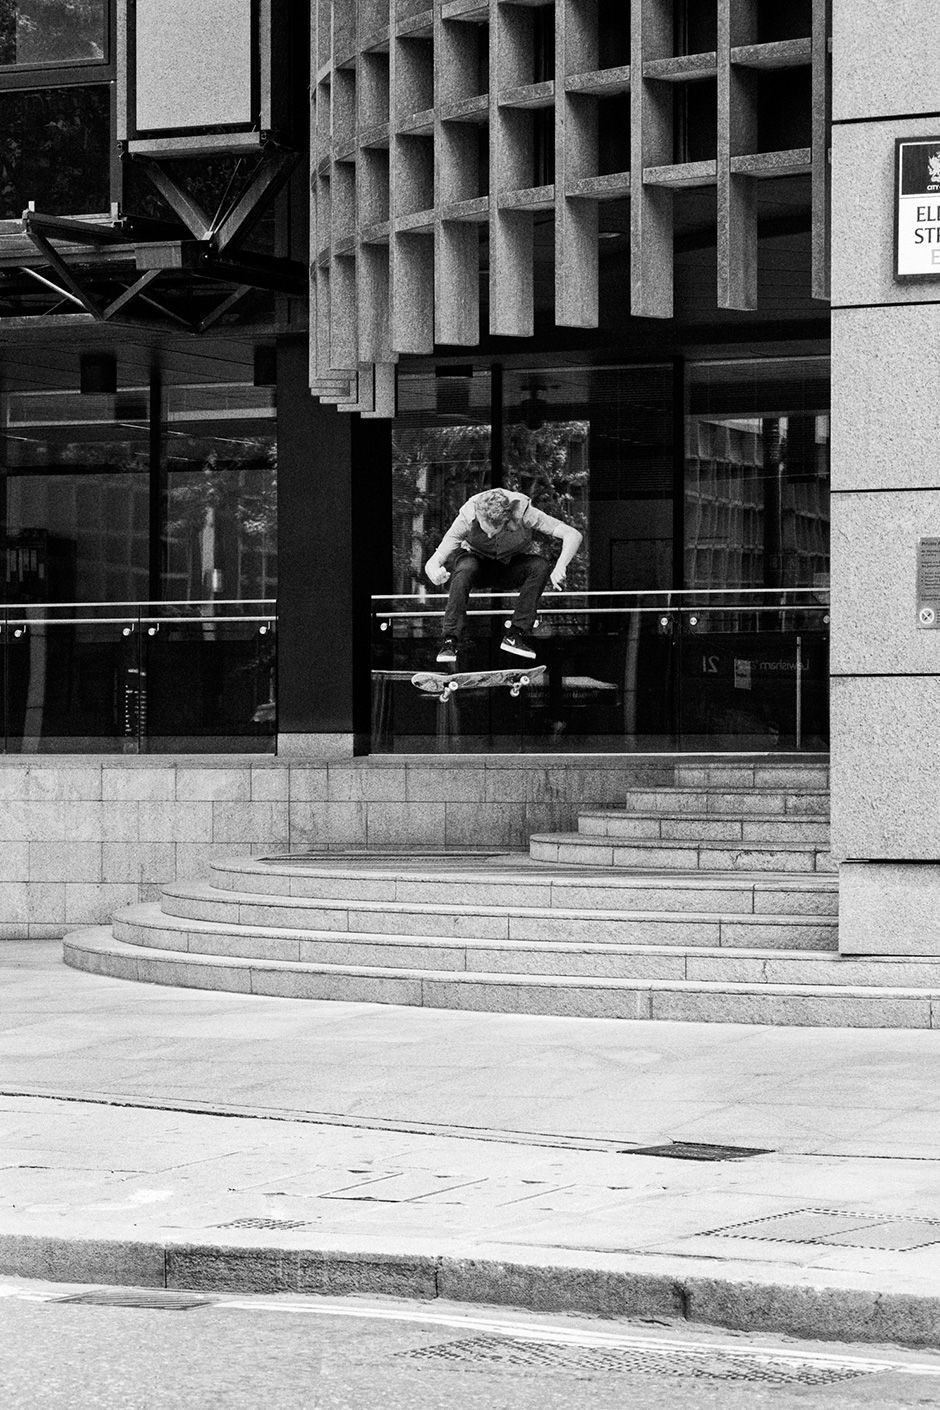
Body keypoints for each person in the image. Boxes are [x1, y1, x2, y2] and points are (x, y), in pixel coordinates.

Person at [425, 487, 583, 664]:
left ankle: (515, 635)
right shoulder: (467, 516)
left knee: (540, 566)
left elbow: (572, 534)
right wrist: (434, 573)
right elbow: (433, 562)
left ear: (507, 519)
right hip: (477, 567)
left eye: (497, 530)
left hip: (509, 568)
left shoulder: (523, 512)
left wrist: (561, 565)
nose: (490, 535)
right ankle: (450, 640)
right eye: (486, 531)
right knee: (465, 566)